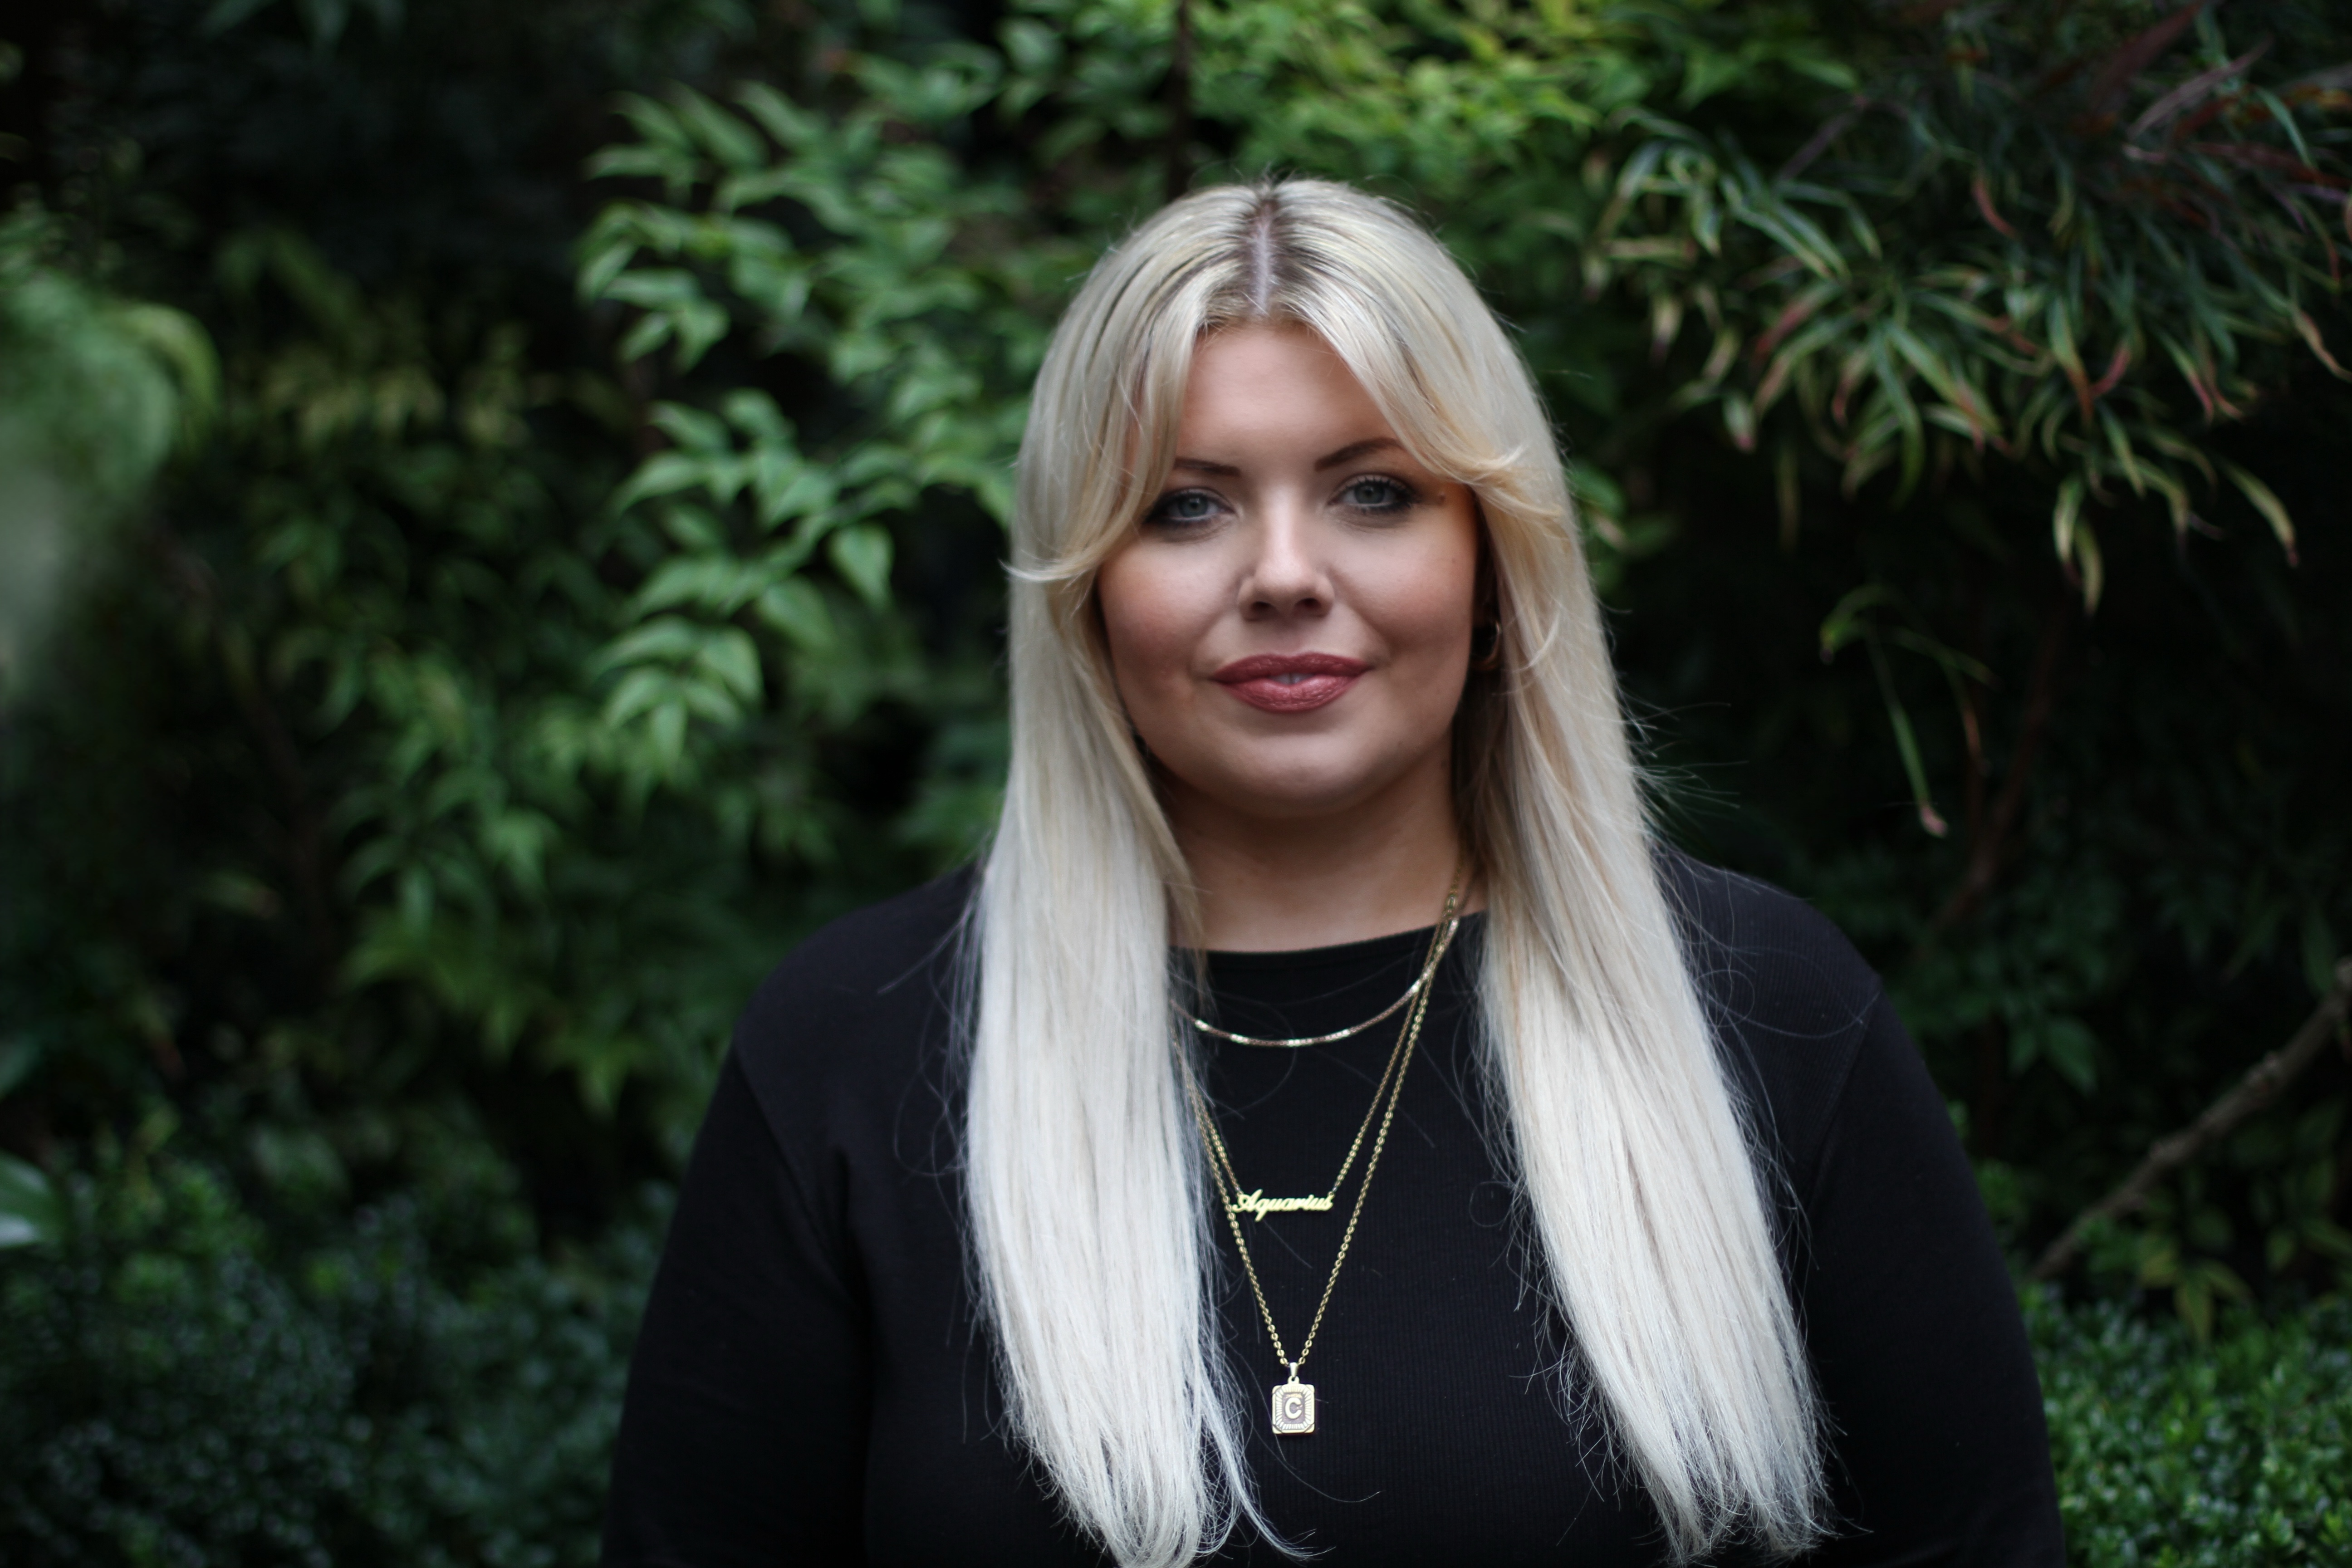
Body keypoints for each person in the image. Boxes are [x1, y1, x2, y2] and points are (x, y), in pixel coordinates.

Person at [600, 180, 2063, 1567]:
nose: (1285, 572)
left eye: (1373, 492)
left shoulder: (1768, 1016)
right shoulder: (855, 1046)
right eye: (1188, 505)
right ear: (1086, 594)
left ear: (1494, 562)